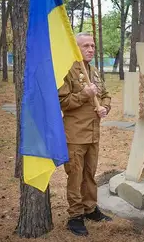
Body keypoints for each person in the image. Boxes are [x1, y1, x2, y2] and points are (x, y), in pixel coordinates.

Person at [58, 33, 112, 236]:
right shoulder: (68, 71)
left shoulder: (94, 71)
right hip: (74, 134)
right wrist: (84, 95)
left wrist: (105, 107)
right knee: (75, 175)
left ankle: (90, 208)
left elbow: (105, 94)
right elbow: (63, 102)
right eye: (86, 46)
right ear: (76, 48)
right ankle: (75, 215)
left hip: (93, 133)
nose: (90, 49)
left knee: (90, 174)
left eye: (92, 46)